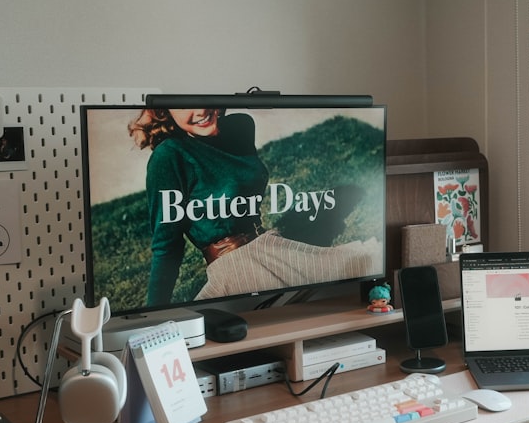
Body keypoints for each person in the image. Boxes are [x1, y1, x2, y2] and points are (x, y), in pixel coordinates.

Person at [129, 108, 380, 306]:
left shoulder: (240, 126)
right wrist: (152, 315)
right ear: (165, 112)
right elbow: (166, 247)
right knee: (357, 264)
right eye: (183, 106)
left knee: (363, 263)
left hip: (269, 244)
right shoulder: (169, 156)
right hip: (235, 266)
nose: (201, 110)